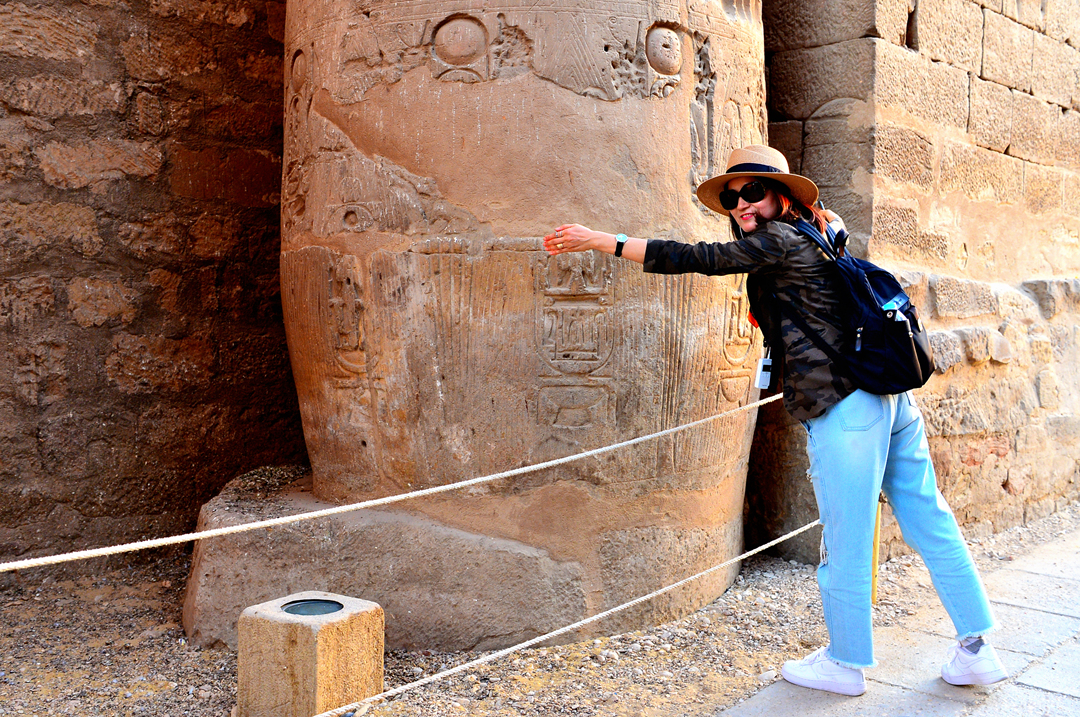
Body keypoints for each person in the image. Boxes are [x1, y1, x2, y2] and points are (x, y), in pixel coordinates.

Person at [542, 145, 1008, 696]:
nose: (742, 204)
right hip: (890, 400)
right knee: (931, 519)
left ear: (781, 195)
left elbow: (698, 257)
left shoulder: (781, 238)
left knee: (846, 538)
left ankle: (844, 663)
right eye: (732, 197)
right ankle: (977, 650)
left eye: (754, 191)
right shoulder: (824, 229)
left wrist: (604, 240)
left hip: (846, 407)